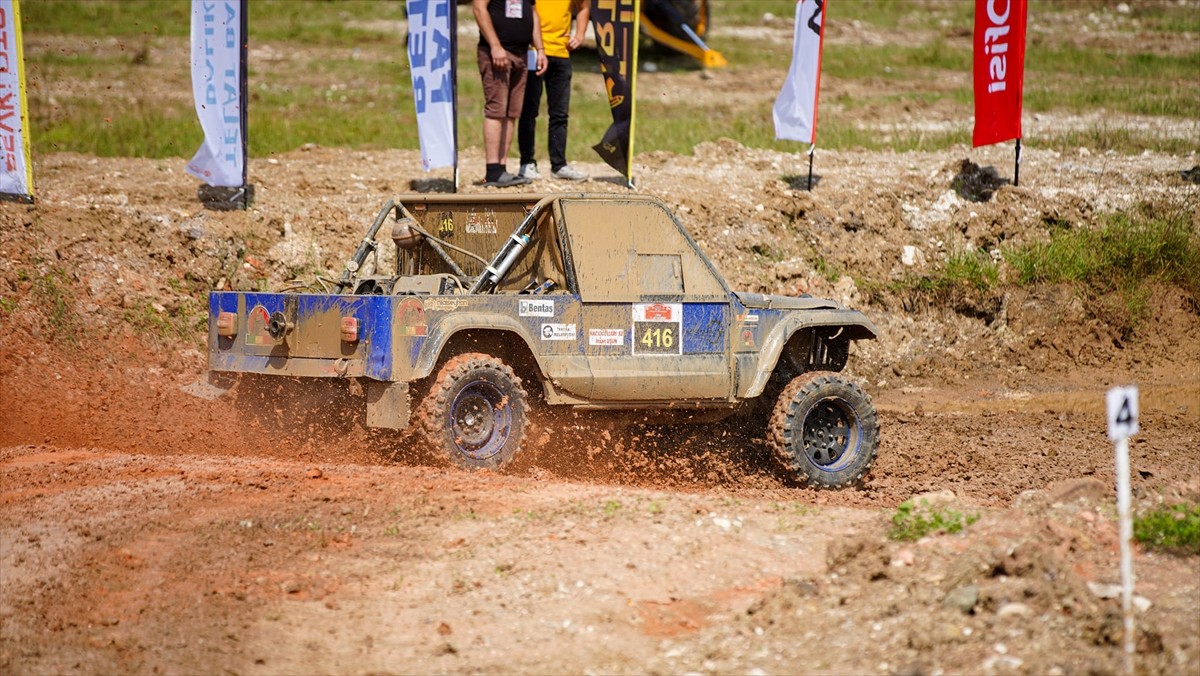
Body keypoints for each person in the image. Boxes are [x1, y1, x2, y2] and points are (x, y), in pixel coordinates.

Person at [474, 0, 548, 187]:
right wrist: (495, 46)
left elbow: (532, 14)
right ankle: (492, 170)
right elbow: (478, 8)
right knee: (497, 109)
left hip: (521, 54)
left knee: (512, 112)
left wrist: (540, 49)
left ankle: (502, 168)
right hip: (497, 53)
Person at [517, 0, 590, 181]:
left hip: (561, 54)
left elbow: (584, 7)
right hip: (533, 52)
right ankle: (527, 163)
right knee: (529, 111)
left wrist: (579, 35)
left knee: (560, 114)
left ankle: (559, 165)